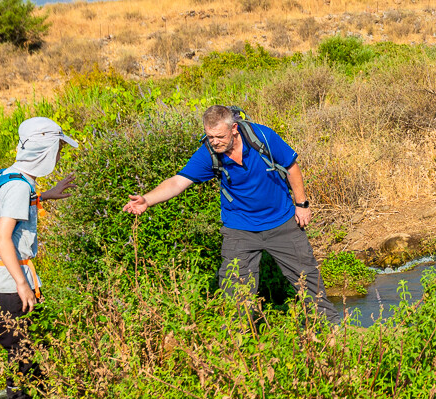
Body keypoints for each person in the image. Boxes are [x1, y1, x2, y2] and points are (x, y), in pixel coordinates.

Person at [121, 105, 336, 319]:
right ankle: (239, 341)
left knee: (307, 279)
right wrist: (147, 199)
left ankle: (330, 330)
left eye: (219, 136)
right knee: (235, 291)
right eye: (210, 136)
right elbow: (178, 182)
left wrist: (302, 204)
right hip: (239, 227)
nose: (215, 141)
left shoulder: (261, 136)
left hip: (281, 221)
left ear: (234, 128)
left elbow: (291, 167)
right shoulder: (209, 153)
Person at [0, 117, 78, 399]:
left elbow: (8, 214)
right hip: (11, 284)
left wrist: (48, 196)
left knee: (22, 346)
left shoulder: (13, 178)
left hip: (4, 282)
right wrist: (23, 285)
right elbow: (2, 237)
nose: (59, 155)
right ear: (45, 148)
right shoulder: (18, 186)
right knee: (20, 350)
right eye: (59, 148)